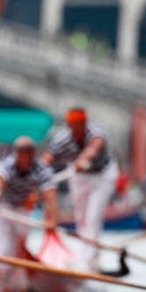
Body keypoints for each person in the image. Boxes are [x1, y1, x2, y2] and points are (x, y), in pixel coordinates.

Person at [42, 107, 118, 272]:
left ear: (85, 123)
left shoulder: (96, 133)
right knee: (81, 219)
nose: (76, 128)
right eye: (73, 124)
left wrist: (83, 159)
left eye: (79, 124)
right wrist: (35, 176)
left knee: (93, 217)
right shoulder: (61, 139)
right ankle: (88, 256)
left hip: (101, 176)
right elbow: (47, 159)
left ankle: (88, 262)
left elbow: (94, 147)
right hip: (77, 177)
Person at [0, 137, 59, 292]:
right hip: (0, 209)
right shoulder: (5, 166)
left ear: (33, 154)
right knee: (5, 249)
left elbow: (50, 198)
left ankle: (16, 286)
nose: (25, 157)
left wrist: (52, 220)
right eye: (21, 153)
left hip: (21, 210)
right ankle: (0, 285)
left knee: (18, 249)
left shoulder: (42, 170)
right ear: (16, 153)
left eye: (28, 153)